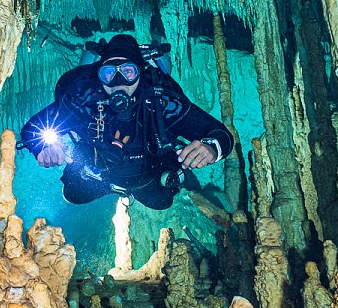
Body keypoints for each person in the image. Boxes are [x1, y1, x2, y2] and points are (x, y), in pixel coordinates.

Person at [20, 34, 234, 210]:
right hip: (99, 175)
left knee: (161, 202)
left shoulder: (162, 101)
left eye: (128, 72)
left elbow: (219, 132)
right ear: (99, 75)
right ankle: (110, 187)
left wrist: (211, 148)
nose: (118, 82)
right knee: (73, 194)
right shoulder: (83, 101)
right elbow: (32, 130)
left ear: (140, 73)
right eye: (109, 73)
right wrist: (44, 145)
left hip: (148, 177)